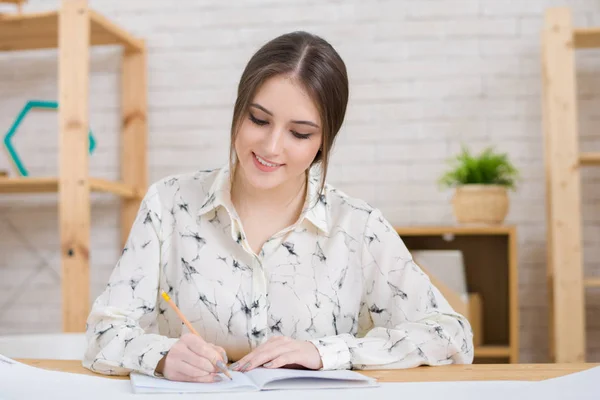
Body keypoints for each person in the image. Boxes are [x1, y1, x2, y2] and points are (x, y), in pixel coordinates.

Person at [83, 31, 474, 383]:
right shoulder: (168, 204)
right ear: (239, 111)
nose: (271, 147)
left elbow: (452, 335)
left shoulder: (358, 226)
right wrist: (163, 356)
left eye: (299, 133)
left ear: (323, 142)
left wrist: (325, 353)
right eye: (258, 119)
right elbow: (103, 334)